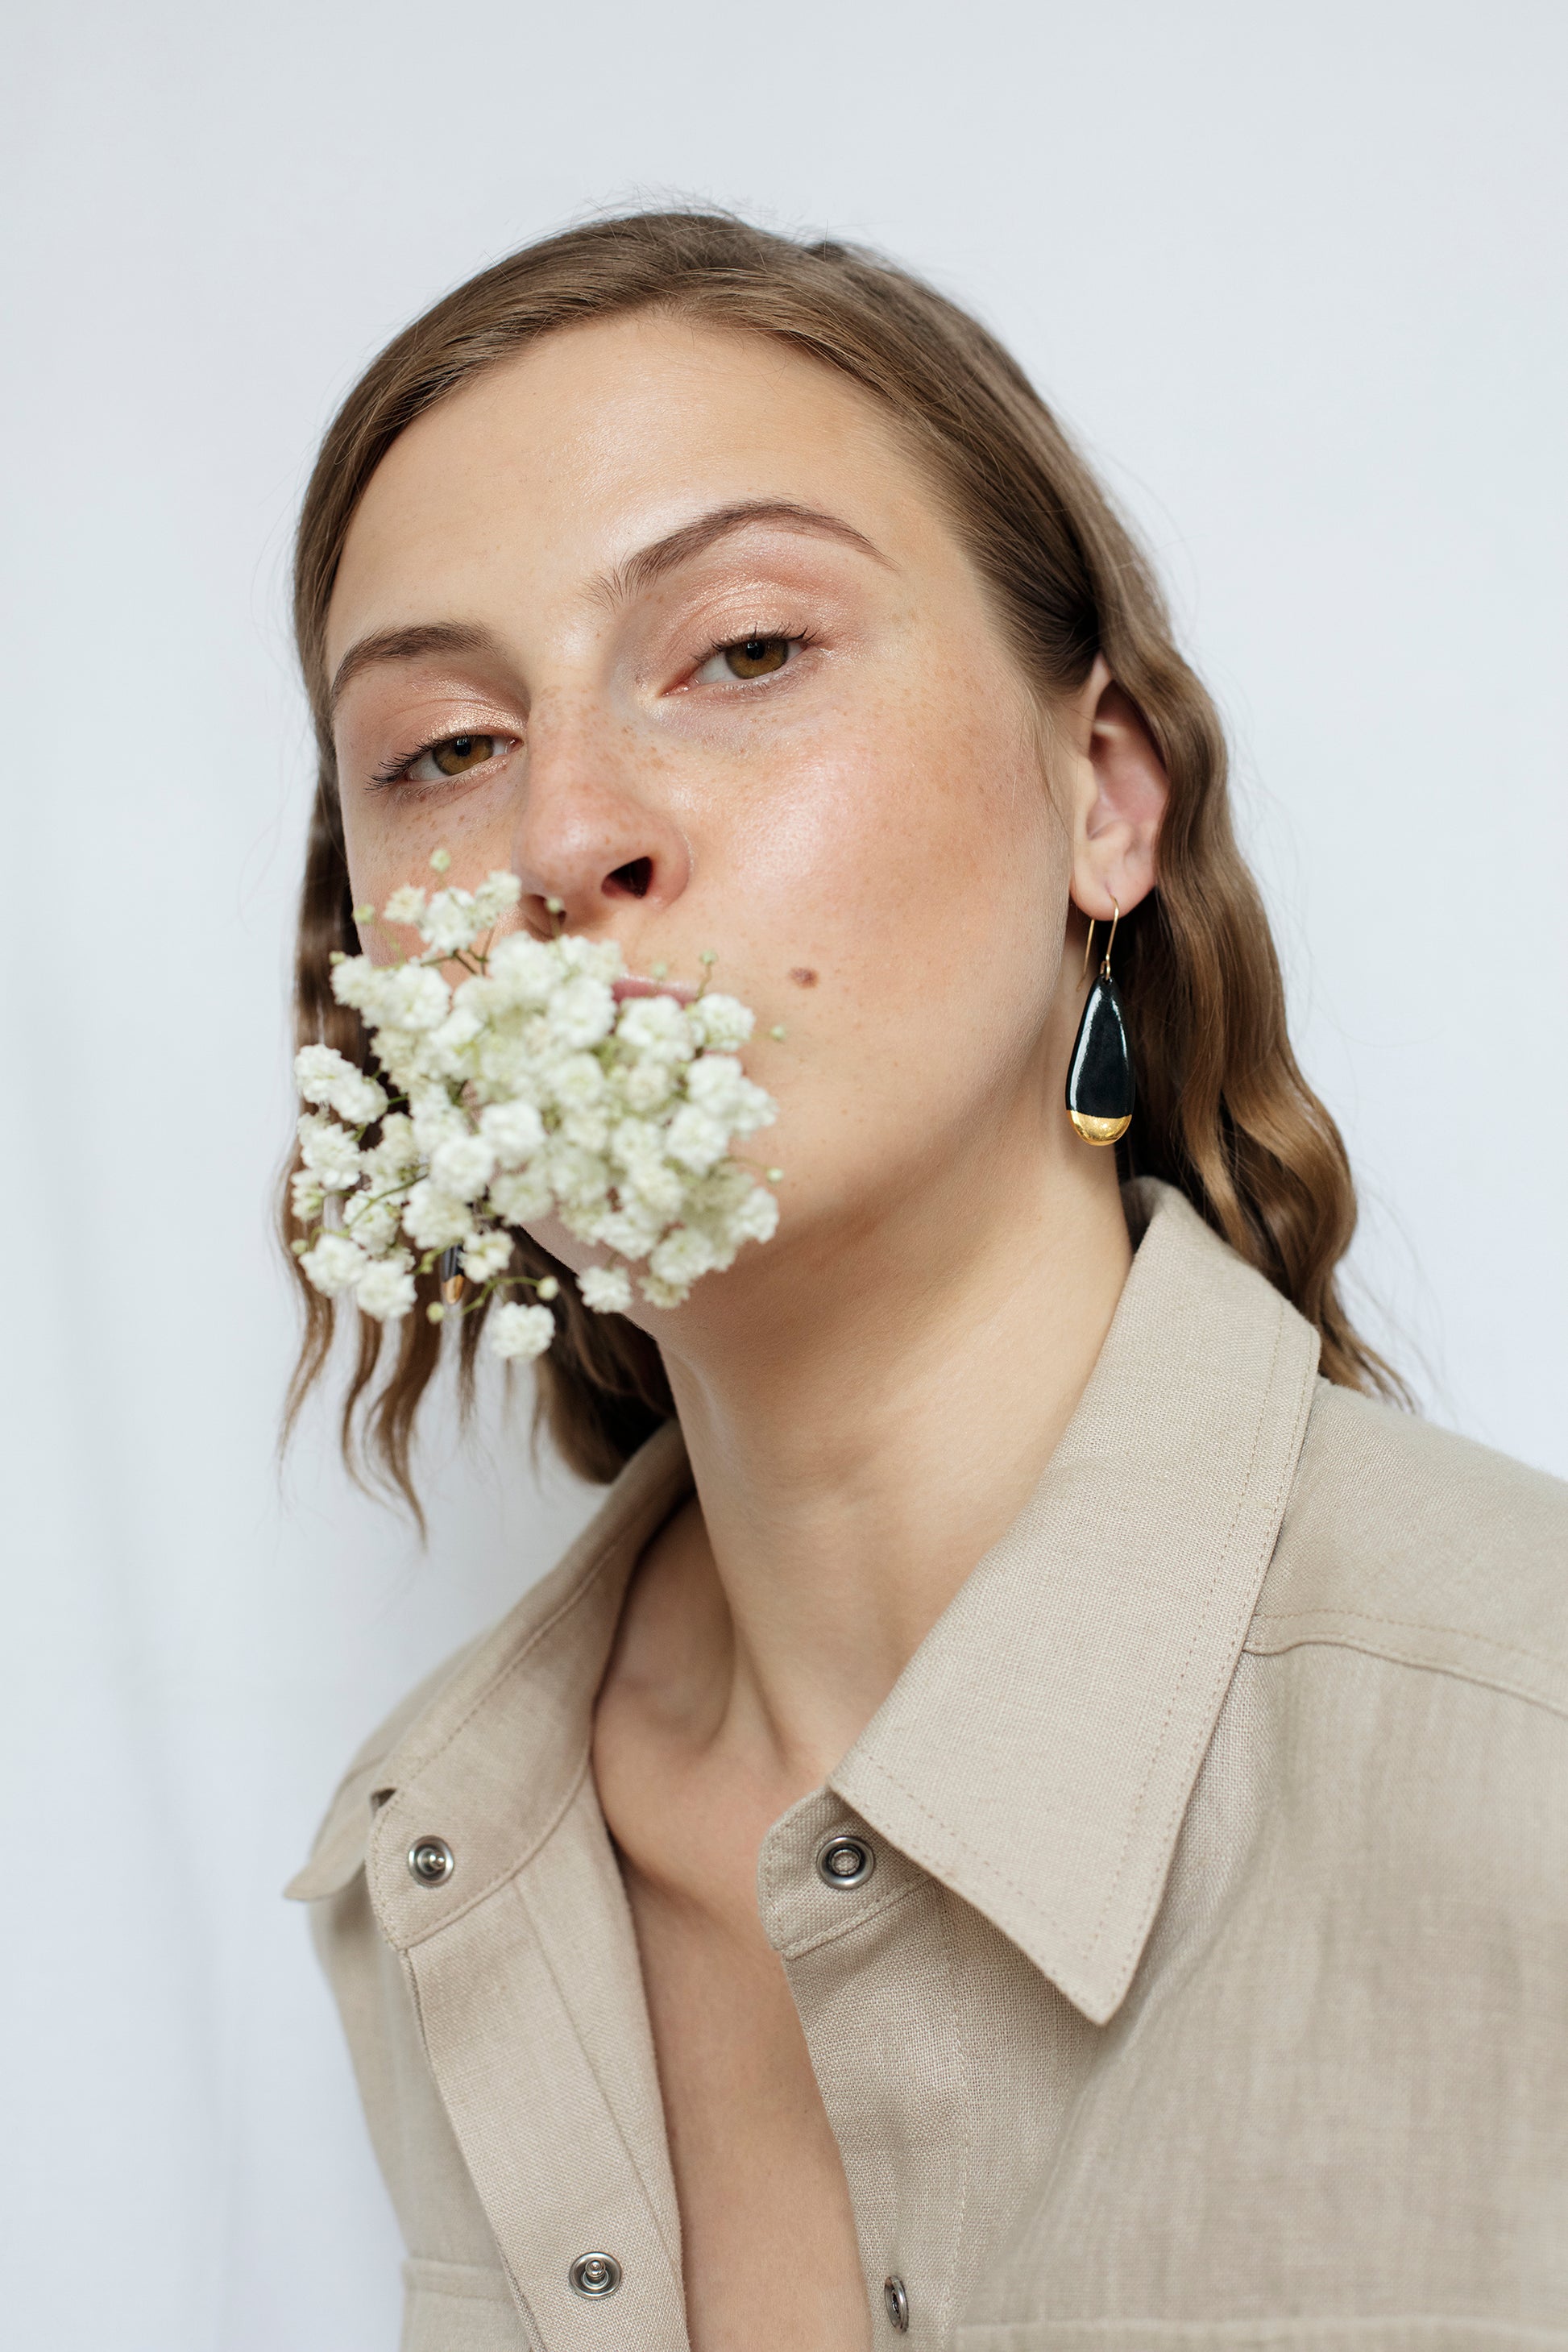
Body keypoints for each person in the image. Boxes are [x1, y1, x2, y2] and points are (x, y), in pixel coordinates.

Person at [282, 212, 1567, 2350]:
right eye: (438, 747)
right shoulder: (434, 1861)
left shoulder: (1527, 1759)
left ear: (1101, 798)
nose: (562, 833)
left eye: (746, 651)